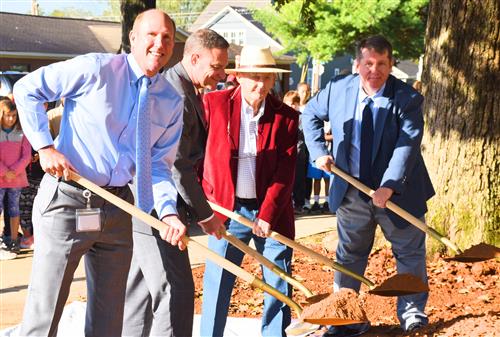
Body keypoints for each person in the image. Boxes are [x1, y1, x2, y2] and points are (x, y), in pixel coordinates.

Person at [13, 9, 185, 337]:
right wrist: (44, 146)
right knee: (44, 314)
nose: (159, 43)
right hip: (67, 199)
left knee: (109, 320)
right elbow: (27, 89)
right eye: (151, 34)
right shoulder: (96, 68)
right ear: (133, 38)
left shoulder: (170, 101)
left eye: (166, 37)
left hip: (118, 208)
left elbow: (157, 165)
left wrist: (168, 212)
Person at [302, 35, 434, 336]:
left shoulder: (407, 99)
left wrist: (388, 185)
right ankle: (346, 317)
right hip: (351, 191)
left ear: (391, 64)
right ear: (357, 64)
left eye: (382, 64)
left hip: (398, 192)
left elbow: (407, 145)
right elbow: (309, 114)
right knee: (350, 254)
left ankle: (413, 314)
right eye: (368, 64)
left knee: (409, 253)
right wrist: (319, 151)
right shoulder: (337, 89)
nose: (375, 70)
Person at [122, 28, 229, 337]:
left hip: (153, 201)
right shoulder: (176, 93)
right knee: (175, 289)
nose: (221, 74)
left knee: (140, 290)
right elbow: (178, 165)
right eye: (217, 66)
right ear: (194, 58)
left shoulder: (184, 88)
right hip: (156, 203)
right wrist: (206, 216)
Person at [200, 45, 299, 337]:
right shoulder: (214, 104)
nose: (259, 84)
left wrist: (267, 214)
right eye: (253, 76)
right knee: (218, 281)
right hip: (226, 212)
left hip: (272, 212)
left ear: (272, 81)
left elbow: (285, 173)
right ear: (239, 76)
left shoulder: (287, 117)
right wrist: (205, 202)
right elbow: (196, 157)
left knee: (278, 284)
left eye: (265, 78)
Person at [0, 97, 31, 258]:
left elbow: (26, 156)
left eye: (13, 115)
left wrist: (15, 171)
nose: (11, 119)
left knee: (14, 209)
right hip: (1, 178)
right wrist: (5, 171)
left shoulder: (22, 132)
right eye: (7, 115)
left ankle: (12, 240)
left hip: (16, 180)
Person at [283, 90, 307, 215]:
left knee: (298, 180)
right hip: (285, 154)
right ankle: (287, 203)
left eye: (294, 103)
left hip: (299, 153)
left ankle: (299, 204)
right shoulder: (282, 116)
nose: (292, 106)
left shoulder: (302, 117)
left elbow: (304, 135)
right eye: (289, 103)